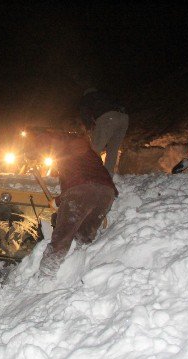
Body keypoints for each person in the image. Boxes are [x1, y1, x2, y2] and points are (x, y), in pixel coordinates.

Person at [39, 130, 118, 277]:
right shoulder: (91, 154)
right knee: (84, 236)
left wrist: (57, 201)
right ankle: (75, 272)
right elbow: (91, 176)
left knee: (63, 235)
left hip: (82, 191)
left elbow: (77, 182)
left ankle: (45, 275)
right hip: (107, 193)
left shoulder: (65, 152)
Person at [78, 87, 128, 174]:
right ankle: (108, 175)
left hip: (108, 118)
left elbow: (85, 114)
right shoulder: (105, 95)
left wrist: (88, 128)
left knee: (95, 149)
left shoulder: (87, 98)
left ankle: (92, 174)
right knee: (113, 149)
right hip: (124, 118)